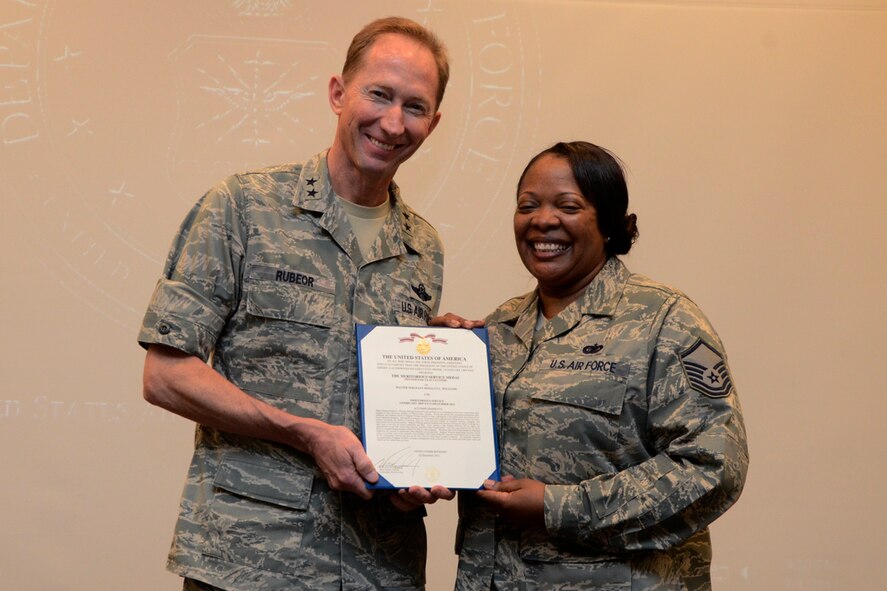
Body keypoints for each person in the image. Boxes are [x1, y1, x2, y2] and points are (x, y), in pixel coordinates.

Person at [138, 17, 454, 590]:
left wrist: (418, 467)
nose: (392, 122)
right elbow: (165, 375)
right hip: (250, 561)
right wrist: (302, 432)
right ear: (338, 93)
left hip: (378, 567)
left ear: (432, 123)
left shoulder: (422, 247)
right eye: (378, 94)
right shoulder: (244, 208)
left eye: (414, 106)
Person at [437, 141, 749, 589]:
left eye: (567, 205)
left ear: (606, 222)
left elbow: (713, 468)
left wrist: (559, 506)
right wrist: (425, 357)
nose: (543, 219)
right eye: (528, 205)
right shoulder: (497, 329)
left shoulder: (665, 321)